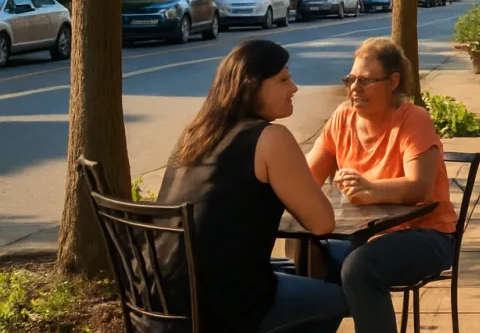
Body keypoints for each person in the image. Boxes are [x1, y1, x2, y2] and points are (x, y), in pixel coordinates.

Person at [157, 40, 347, 333]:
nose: (294, 88)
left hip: (163, 298)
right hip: (219, 306)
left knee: (289, 270)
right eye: (283, 79)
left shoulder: (196, 134)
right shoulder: (271, 138)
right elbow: (322, 223)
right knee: (337, 297)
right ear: (252, 86)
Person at [307, 38, 458, 333]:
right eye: (351, 79)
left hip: (427, 234)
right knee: (308, 253)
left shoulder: (413, 119)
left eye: (365, 81)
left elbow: (420, 188)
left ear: (393, 82)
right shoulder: (342, 118)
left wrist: (372, 188)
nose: (354, 88)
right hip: (363, 234)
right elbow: (307, 176)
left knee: (360, 268)